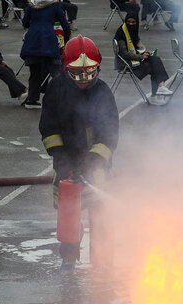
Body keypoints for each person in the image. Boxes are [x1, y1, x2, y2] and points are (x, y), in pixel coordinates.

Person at [39, 35, 119, 270]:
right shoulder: (56, 90)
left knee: (101, 216)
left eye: (89, 74)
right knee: (68, 216)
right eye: (77, 74)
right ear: (66, 69)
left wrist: (93, 161)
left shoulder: (103, 92)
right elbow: (49, 128)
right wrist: (61, 159)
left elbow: (110, 134)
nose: (83, 80)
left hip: (97, 167)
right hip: (65, 165)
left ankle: (102, 262)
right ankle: (69, 257)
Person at [21, 0, 70, 109]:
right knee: (57, 73)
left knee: (35, 74)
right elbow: (65, 26)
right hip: (49, 41)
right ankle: (62, 100)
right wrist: (66, 43)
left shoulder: (31, 4)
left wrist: (34, 25)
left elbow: (24, 22)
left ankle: (32, 100)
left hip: (33, 40)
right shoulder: (54, 4)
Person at [114, 11, 173, 97]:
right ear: (125, 21)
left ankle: (160, 87)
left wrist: (144, 53)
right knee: (153, 67)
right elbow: (124, 54)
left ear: (136, 22)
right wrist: (141, 56)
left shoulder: (133, 30)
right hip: (125, 62)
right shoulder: (121, 32)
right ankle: (156, 91)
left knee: (155, 59)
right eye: (129, 22)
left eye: (133, 22)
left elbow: (135, 48)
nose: (130, 24)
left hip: (135, 57)